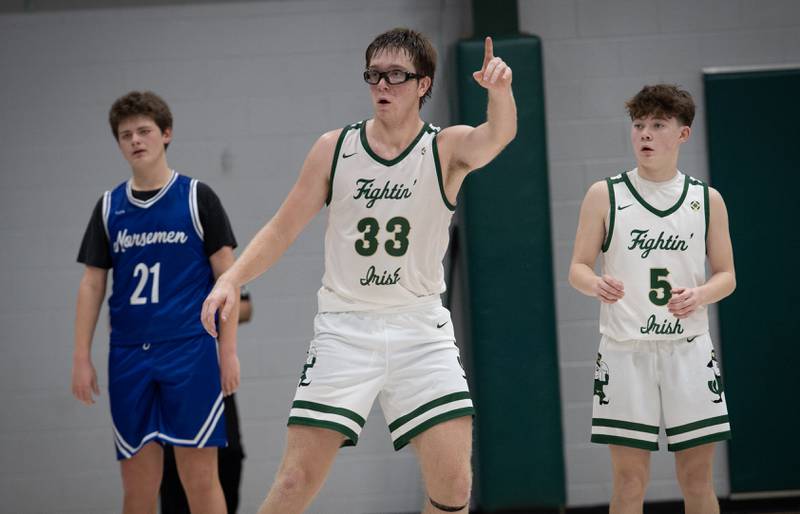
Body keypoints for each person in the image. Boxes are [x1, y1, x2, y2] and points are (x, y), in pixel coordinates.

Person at [201, 28, 516, 514]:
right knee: (294, 481)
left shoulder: (446, 148)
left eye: (395, 75)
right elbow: (282, 228)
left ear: (423, 84)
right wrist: (232, 277)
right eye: (374, 75)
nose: (382, 86)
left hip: (420, 329)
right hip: (346, 329)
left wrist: (500, 92)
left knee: (453, 487)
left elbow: (499, 135)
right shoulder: (335, 148)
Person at [568, 84, 736, 514]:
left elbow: (728, 277)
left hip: (688, 350)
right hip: (625, 352)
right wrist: (594, 285)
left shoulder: (706, 199)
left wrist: (699, 295)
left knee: (697, 479)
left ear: (682, 134)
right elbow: (578, 268)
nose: (644, 134)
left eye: (657, 125)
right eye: (639, 125)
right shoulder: (604, 195)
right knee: (629, 482)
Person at [71, 90, 240, 514]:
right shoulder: (109, 207)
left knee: (200, 480)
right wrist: (81, 356)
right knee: (138, 487)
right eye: (125, 134)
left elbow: (230, 279)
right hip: (129, 355)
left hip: (189, 350)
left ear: (166, 134)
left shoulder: (198, 198)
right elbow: (92, 285)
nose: (135, 140)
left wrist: (228, 352)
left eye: (144, 130)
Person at [160, 288, 252, 514]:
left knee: (228, 455)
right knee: (172, 464)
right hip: (164, 368)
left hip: (208, 367)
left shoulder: (214, 259)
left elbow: (246, 308)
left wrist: (203, 313)